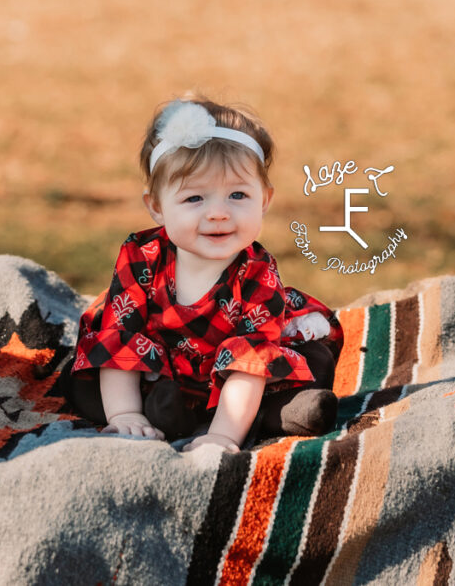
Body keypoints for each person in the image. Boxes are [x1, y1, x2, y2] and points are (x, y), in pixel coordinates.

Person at [62, 94, 344, 452]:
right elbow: (121, 335)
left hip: (240, 383)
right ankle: (154, 412)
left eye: (238, 195)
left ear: (265, 200)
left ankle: (275, 414)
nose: (218, 213)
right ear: (157, 207)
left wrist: (222, 438)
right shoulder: (142, 257)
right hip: (161, 370)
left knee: (313, 360)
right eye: (195, 199)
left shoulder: (256, 273)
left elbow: (251, 361)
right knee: (84, 378)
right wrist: (124, 416)